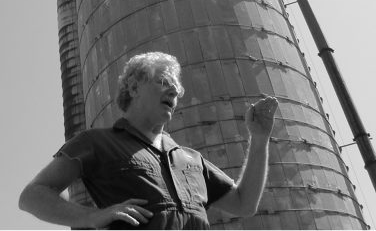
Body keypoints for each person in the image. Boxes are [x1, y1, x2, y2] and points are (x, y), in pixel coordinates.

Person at [19, 52, 278, 229]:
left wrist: (259, 139)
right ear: (133, 88)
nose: (174, 91)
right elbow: (32, 195)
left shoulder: (190, 158)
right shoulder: (96, 142)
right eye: (164, 81)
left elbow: (245, 204)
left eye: (177, 88)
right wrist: (93, 217)